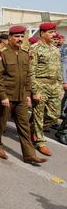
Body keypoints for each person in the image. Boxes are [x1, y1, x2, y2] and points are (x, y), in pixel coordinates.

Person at [0, 25, 47, 164]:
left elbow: (27, 76)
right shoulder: (1, 53)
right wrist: (3, 96)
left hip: (21, 96)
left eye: (22, 36)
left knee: (24, 126)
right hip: (6, 96)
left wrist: (28, 94)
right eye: (17, 36)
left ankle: (29, 154)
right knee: (1, 123)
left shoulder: (25, 53)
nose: (20, 39)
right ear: (10, 37)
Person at [29, 22, 62, 156]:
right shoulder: (35, 48)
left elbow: (58, 68)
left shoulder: (55, 48)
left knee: (55, 114)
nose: (54, 34)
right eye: (51, 32)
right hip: (41, 85)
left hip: (54, 85)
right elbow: (31, 71)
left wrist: (59, 86)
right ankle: (40, 142)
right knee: (38, 113)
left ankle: (33, 128)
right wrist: (35, 90)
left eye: (54, 32)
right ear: (43, 33)